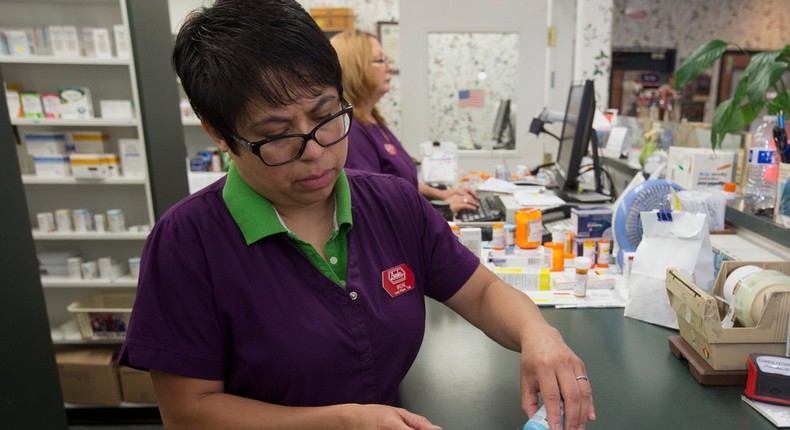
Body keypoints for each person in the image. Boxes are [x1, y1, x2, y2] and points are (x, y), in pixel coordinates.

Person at [118, 0, 596, 429]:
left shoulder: (393, 204)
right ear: (219, 135)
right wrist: (341, 422)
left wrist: (537, 332)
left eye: (326, 115)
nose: (316, 150)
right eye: (277, 134)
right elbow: (189, 412)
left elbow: (482, 292)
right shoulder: (187, 242)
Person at [330, 30, 479, 214]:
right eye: (379, 61)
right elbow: (375, 204)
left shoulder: (373, 119)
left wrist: (443, 195)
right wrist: (445, 209)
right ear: (354, 69)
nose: (389, 67)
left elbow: (404, 180)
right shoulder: (352, 131)